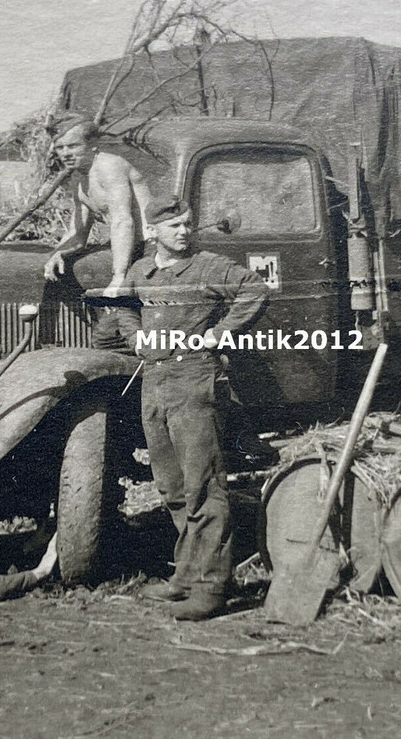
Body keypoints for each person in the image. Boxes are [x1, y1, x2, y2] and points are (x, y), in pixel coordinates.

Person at [117, 197, 268, 620]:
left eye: (187, 225)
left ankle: (213, 586)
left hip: (194, 381)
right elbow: (123, 308)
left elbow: (254, 289)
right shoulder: (140, 272)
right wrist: (135, 339)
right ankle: (186, 574)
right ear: (153, 233)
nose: (183, 232)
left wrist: (218, 334)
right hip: (154, 381)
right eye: (174, 227)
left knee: (205, 485)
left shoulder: (207, 266)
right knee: (170, 486)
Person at [41, 113, 152, 350]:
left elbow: (123, 220)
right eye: (60, 147)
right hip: (127, 249)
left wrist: (119, 277)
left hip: (150, 252)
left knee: (109, 338)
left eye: (73, 146)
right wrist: (59, 253)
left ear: (93, 145)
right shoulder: (79, 178)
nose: (65, 153)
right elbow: (78, 232)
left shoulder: (109, 166)